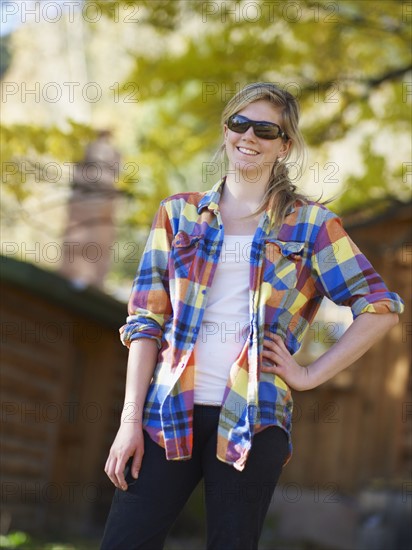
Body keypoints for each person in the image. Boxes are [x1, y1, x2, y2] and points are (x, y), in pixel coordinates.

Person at [100, 82, 404, 550]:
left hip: (255, 417)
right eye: (240, 123)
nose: (249, 137)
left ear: (284, 146)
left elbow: (380, 308)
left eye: (265, 130)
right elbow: (145, 322)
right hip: (167, 413)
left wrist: (308, 374)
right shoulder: (177, 215)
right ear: (226, 130)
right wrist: (128, 421)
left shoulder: (312, 225)